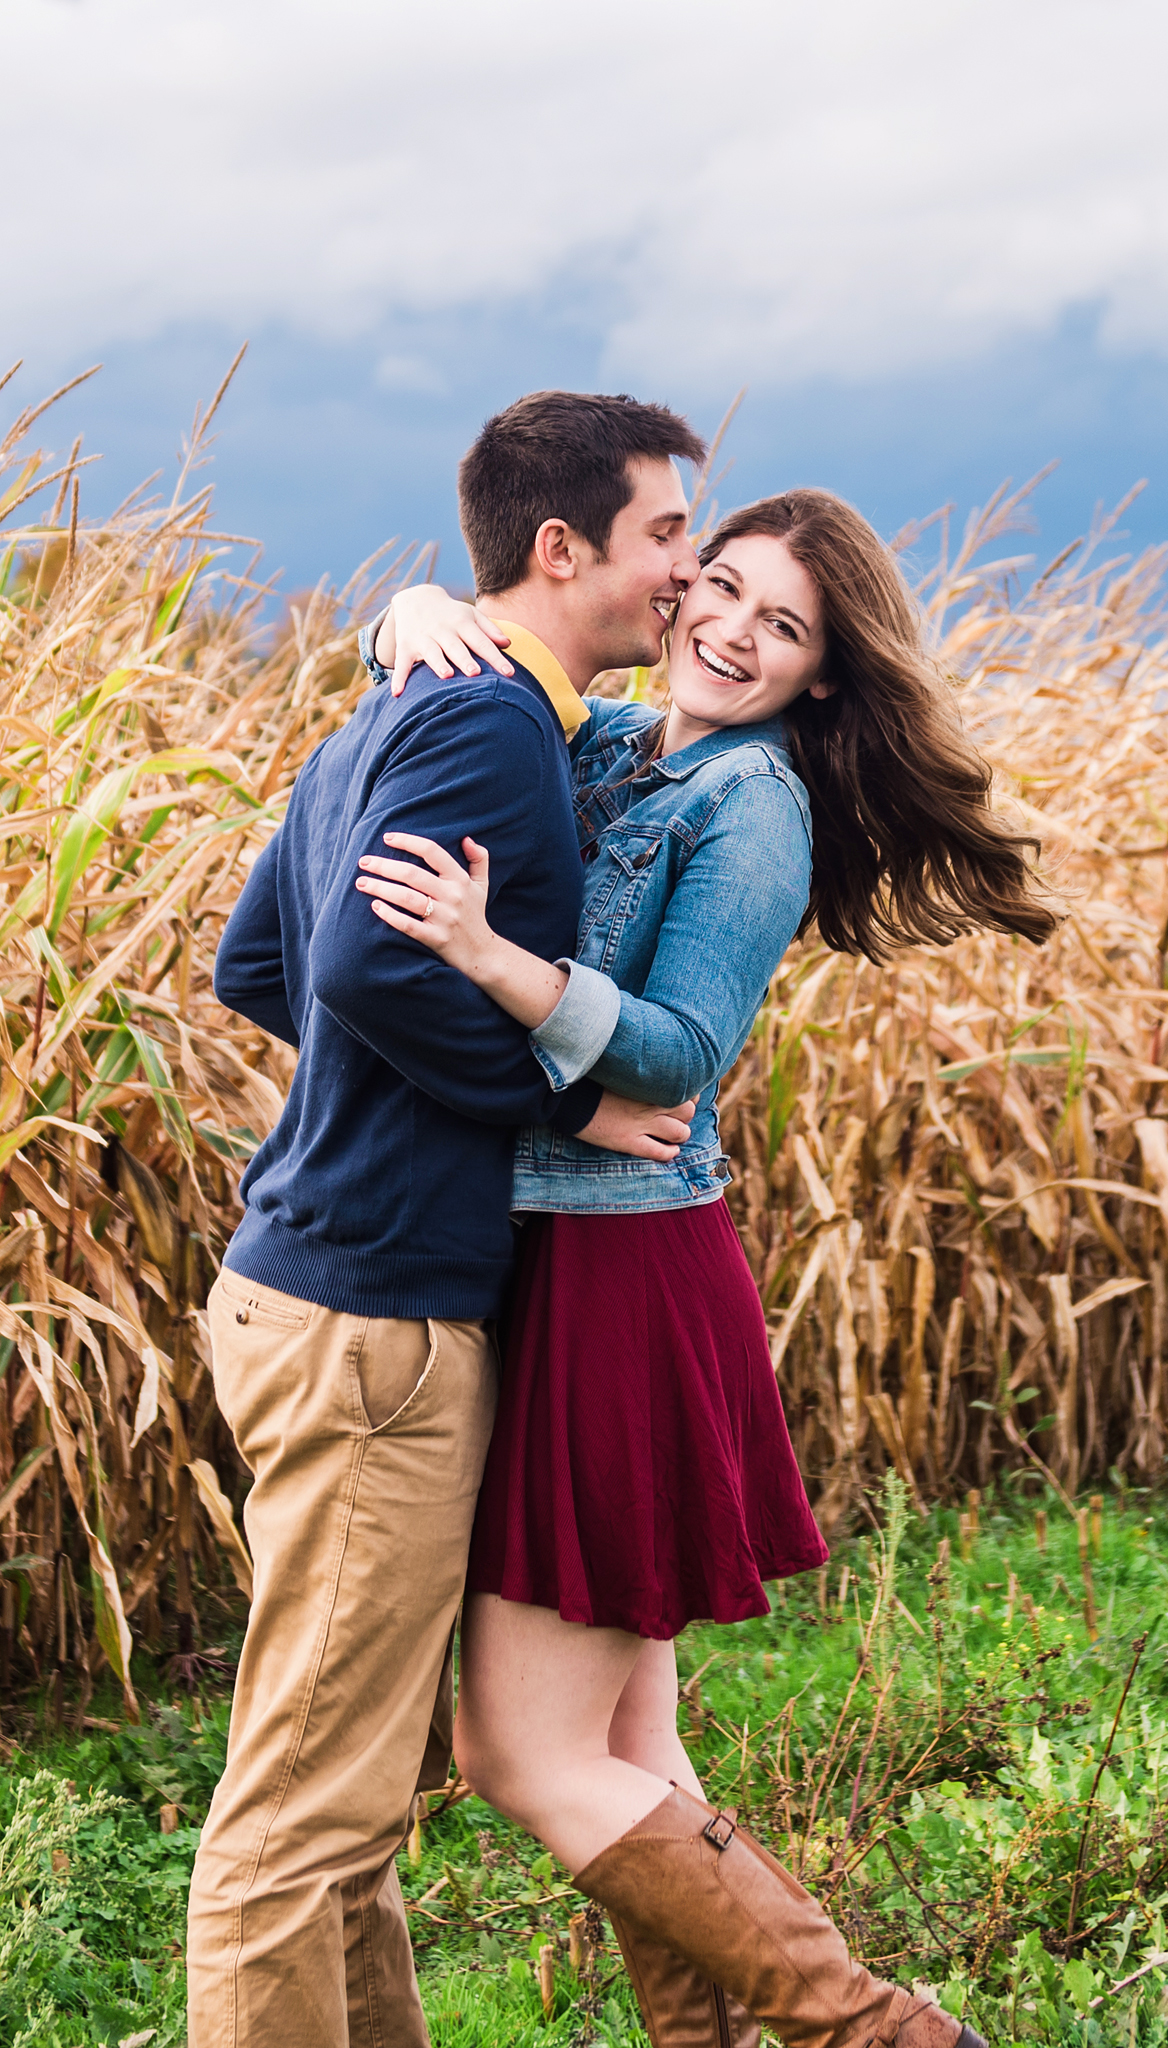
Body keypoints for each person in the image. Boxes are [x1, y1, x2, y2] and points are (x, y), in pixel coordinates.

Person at [355, 488, 1056, 2048]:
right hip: (556, 1265)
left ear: (822, 673)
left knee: (523, 1757)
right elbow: (496, 686)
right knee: (630, 1742)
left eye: (782, 626)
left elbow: (676, 1049)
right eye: (721, 588)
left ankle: (881, 2033)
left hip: (627, 1283)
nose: (730, 631)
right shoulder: (615, 744)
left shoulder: (754, 803)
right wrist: (407, 613)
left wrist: (486, 956)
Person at [190, 390, 709, 2048]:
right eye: (666, 536)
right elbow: (344, 966)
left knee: (348, 1814)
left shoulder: (407, 703)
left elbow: (257, 965)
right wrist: (562, 1096)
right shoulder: (485, 725)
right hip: (375, 1318)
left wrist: (390, 1094)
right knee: (304, 1821)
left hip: (315, 1285)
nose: (686, 576)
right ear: (562, 549)